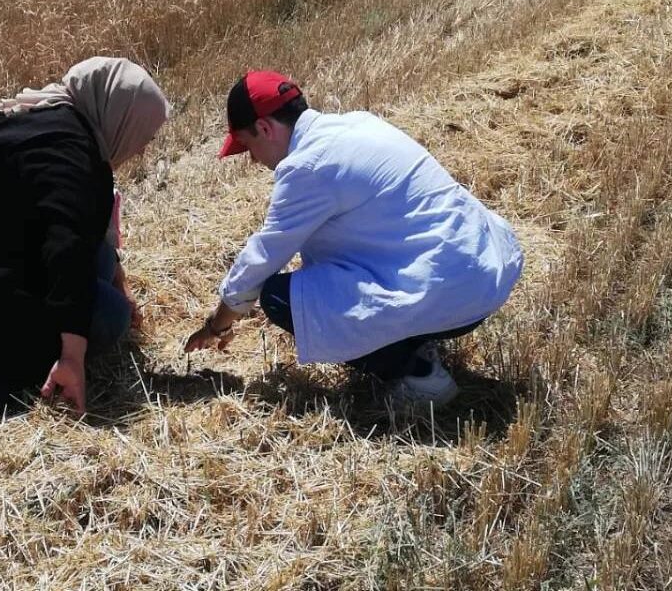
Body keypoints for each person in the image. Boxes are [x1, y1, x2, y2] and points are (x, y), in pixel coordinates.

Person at [184, 71, 522, 407]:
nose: (254, 159)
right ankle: (415, 337)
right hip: (485, 267)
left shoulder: (308, 167)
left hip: (456, 291)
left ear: (264, 128)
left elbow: (261, 260)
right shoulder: (358, 124)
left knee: (282, 298)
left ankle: (419, 375)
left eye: (249, 146)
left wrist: (217, 326)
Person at [0, 57, 169, 425]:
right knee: (107, 316)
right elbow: (66, 251)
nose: (142, 150)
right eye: (144, 135)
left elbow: (83, 233)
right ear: (121, 116)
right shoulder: (71, 155)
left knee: (101, 264)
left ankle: (1, 346)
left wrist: (123, 286)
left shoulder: (47, 117)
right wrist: (72, 356)